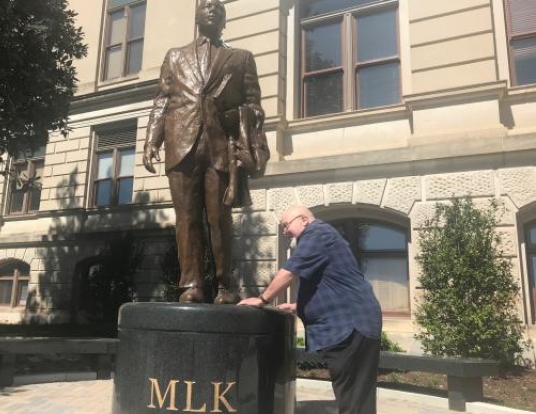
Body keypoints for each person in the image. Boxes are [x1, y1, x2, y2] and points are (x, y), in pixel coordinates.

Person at [143, 0, 266, 304]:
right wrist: (151, 141)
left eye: (219, 8)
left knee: (219, 218)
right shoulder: (174, 56)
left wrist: (238, 115)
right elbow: (162, 100)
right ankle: (191, 285)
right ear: (196, 16)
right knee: (186, 218)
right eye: (207, 6)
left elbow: (256, 107)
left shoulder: (241, 58)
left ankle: (225, 285)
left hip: (220, 147)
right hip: (180, 146)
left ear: (224, 20)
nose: (212, 9)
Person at [239, 205, 383, 414]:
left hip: (351, 324)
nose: (284, 231)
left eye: (286, 225)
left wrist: (262, 299)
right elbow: (333, 283)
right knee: (355, 395)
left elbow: (290, 270)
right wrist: (299, 306)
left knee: (353, 397)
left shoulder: (317, 232)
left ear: (304, 219)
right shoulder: (322, 239)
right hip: (353, 322)